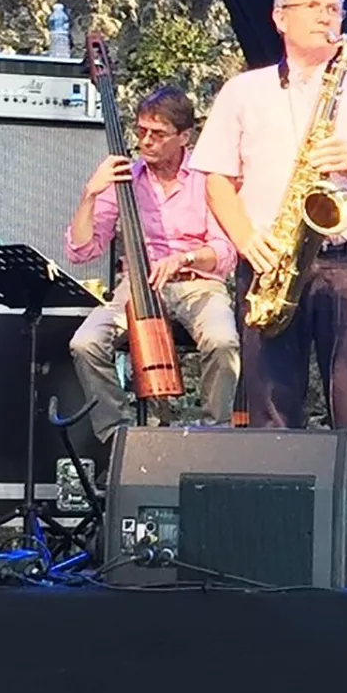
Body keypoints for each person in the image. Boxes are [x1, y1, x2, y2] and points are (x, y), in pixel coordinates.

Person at [191, 0, 347, 579]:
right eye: (313, 6)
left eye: (336, 7)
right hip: (269, 264)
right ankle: (277, 533)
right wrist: (250, 241)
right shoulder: (243, 91)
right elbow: (216, 178)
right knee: (270, 406)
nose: (327, 16)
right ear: (280, 17)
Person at [66, 85, 241, 441]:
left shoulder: (208, 179)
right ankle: (118, 436)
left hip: (198, 280)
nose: (146, 142)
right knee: (85, 343)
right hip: (138, 284)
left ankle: (215, 435)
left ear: (184, 137)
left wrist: (183, 259)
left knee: (223, 340)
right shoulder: (125, 179)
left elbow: (225, 252)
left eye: (158, 134)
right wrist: (90, 193)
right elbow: (81, 250)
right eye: (141, 131)